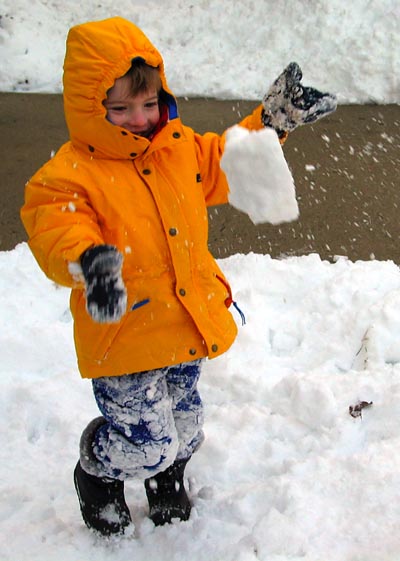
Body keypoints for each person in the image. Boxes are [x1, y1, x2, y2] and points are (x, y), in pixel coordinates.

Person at [21, 16, 336, 537]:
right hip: (124, 335)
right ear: (88, 108)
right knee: (144, 438)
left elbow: (224, 162)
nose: (139, 119)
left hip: (184, 321)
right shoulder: (71, 174)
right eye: (119, 109)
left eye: (148, 104)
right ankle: (98, 470)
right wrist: (91, 261)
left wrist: (273, 121)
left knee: (185, 426)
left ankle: (166, 477)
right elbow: (57, 226)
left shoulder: (176, 147)